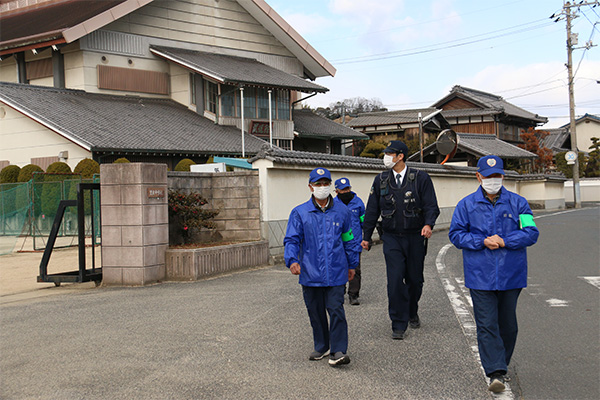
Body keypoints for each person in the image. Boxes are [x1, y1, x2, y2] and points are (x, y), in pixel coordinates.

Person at [448, 155, 539, 393]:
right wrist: (481, 241)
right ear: (478, 176)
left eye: (497, 175)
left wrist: (505, 240)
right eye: (488, 176)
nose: (493, 180)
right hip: (480, 275)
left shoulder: (518, 203)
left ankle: (502, 363)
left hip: (511, 274)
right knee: (487, 324)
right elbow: (456, 235)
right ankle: (495, 371)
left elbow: (531, 232)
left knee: (508, 326)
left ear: (503, 176)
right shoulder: (466, 205)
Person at [361, 140, 440, 340]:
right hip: (392, 238)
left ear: (400, 156)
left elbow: (431, 205)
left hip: (415, 237)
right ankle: (398, 322)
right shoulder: (380, 180)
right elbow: (371, 210)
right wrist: (366, 236)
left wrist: (428, 224)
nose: (386, 157)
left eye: (389, 153)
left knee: (415, 280)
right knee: (395, 280)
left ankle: (412, 310)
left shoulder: (420, 178)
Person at [284, 167, 359, 367]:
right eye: (318, 184)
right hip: (310, 271)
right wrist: (292, 260)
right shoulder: (300, 213)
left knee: (336, 309)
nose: (322, 187)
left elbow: (349, 239)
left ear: (330, 186)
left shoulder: (342, 211)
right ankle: (322, 345)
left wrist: (352, 263)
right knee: (315, 311)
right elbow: (292, 239)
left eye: (326, 183)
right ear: (310, 187)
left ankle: (338, 350)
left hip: (336, 270)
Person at [333, 177, 365, 306]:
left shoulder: (358, 203)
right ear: (337, 191)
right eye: (343, 190)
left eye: (347, 188)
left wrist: (366, 237)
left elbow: (364, 220)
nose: (346, 191)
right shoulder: (333, 204)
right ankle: (340, 292)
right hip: (339, 243)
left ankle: (353, 294)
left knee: (355, 269)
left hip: (355, 242)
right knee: (339, 268)